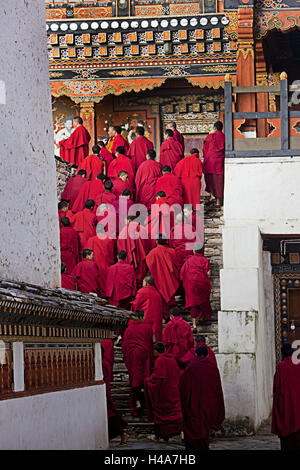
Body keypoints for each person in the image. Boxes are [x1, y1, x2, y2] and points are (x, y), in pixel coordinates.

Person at [179, 345, 225, 451]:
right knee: (205, 428)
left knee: (195, 427)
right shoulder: (213, 368)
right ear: (208, 355)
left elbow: (183, 387)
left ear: (195, 355)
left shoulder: (190, 367)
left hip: (194, 405)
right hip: (209, 404)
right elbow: (217, 388)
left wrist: (186, 402)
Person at [144, 342, 183, 442]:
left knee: (161, 414)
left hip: (164, 393)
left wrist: (147, 382)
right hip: (174, 391)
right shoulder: (172, 359)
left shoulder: (160, 360)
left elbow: (157, 379)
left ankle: (159, 436)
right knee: (176, 413)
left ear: (156, 351)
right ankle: (180, 433)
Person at [122, 309, 154, 415]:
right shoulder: (147, 327)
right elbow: (151, 343)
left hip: (131, 356)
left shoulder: (128, 330)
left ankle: (137, 402)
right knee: (143, 378)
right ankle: (144, 403)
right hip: (143, 355)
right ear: (141, 317)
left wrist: (127, 358)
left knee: (135, 379)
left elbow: (124, 346)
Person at [272, 342, 300, 450]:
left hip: (286, 406)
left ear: (283, 353)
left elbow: (277, 390)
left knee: (287, 440)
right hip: (298, 406)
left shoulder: (280, 367)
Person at [180, 243, 213, 331]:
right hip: (202, 284)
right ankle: (202, 316)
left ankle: (194, 325)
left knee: (193, 303)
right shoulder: (205, 260)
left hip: (191, 284)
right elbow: (208, 273)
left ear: (194, 251)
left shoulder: (188, 261)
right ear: (202, 251)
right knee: (203, 300)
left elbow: (182, 273)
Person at [146, 235, 179, 319]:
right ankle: (172, 315)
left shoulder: (152, 253)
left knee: (162, 298)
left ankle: (165, 316)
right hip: (170, 279)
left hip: (158, 279)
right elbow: (176, 266)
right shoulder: (171, 251)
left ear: (156, 241)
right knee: (170, 296)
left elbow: (149, 265)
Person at [101, 344, 129, 445]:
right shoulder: (105, 362)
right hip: (103, 389)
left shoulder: (103, 364)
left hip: (103, 389)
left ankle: (122, 433)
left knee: (110, 413)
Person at [132, 274, 163, 342]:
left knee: (145, 337)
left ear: (146, 282)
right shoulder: (157, 293)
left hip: (146, 318)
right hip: (156, 320)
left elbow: (136, 305)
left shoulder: (142, 291)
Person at [85, 223, 115, 294]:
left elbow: (87, 256)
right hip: (105, 265)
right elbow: (111, 255)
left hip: (94, 265)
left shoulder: (91, 240)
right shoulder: (108, 240)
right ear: (104, 230)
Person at [202, 121, 225, 208]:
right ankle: (218, 201)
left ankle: (212, 196)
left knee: (211, 179)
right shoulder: (224, 137)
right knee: (219, 181)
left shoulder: (210, 136)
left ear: (214, 128)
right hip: (219, 162)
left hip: (210, 162)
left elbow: (204, 149)